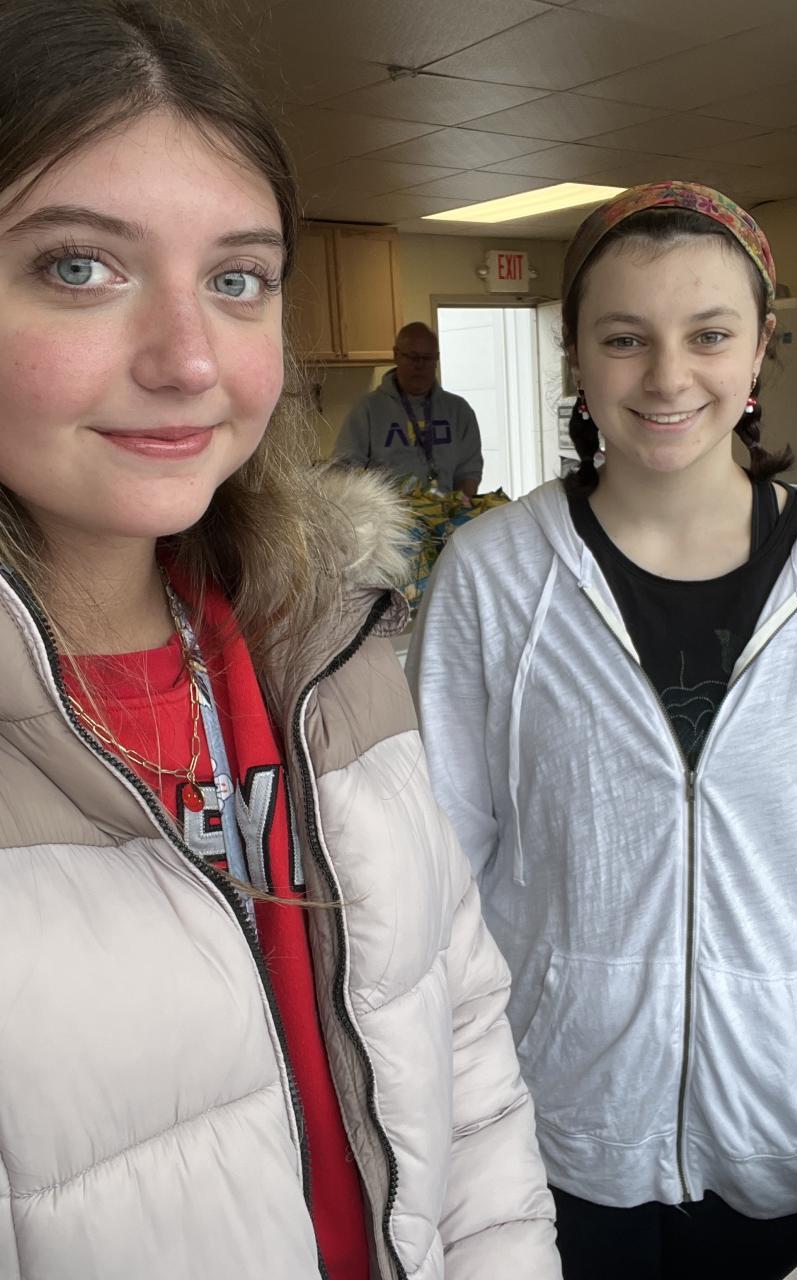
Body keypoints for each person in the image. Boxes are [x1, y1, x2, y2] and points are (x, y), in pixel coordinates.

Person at [0, 3, 563, 1277]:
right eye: (78, 266)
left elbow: (465, 1052)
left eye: (237, 278)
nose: (190, 360)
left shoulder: (336, 655)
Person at [407, 181, 797, 1280]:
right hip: (555, 1132)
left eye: (709, 334)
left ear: (760, 348)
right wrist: (461, 1127)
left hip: (786, 1129)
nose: (667, 377)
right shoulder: (494, 576)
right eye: (625, 338)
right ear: (575, 353)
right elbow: (439, 879)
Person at [335, 321, 484, 497]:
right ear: (396, 355)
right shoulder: (367, 410)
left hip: (446, 511)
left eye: (427, 358)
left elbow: (469, 471)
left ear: (436, 358)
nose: (419, 366)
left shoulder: (459, 411)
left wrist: (459, 506)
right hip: (387, 512)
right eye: (412, 357)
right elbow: (344, 471)